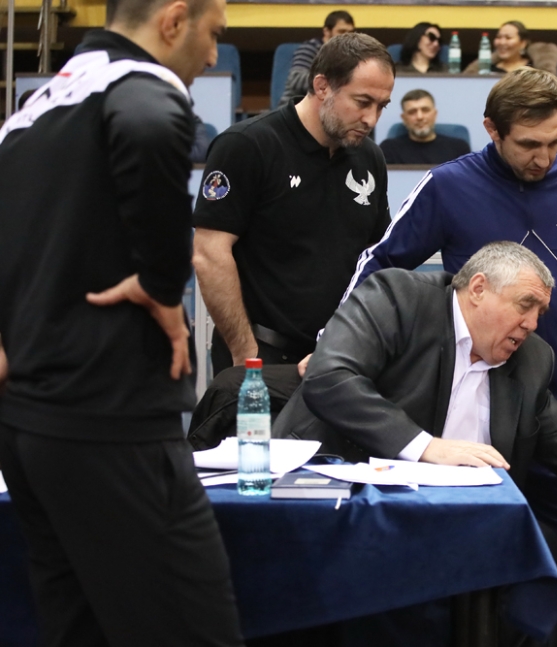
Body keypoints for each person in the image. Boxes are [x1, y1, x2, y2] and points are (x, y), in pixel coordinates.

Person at [287, 242, 557, 642]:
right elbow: (330, 377)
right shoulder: (399, 298)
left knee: (539, 554)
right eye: (525, 305)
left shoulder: (531, 361)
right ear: (478, 289)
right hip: (334, 502)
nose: (531, 324)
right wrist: (426, 447)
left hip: (442, 526)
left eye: (540, 313)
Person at [348, 67, 557, 647]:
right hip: (488, 410)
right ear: (492, 129)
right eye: (529, 144)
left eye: (555, 142)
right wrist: (334, 344)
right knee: (485, 557)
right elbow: (379, 264)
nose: (544, 158)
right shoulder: (448, 185)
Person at [0, 0, 244, 642]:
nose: (212, 56)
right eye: (213, 35)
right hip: (108, 420)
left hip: (29, 422)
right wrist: (162, 283)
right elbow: (149, 124)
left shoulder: (34, 109)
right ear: (173, 21)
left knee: (79, 629)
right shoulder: (141, 87)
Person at [193, 33, 394, 375]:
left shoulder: (369, 158)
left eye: (381, 106)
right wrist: (246, 355)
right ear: (322, 86)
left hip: (340, 358)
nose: (372, 119)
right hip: (262, 355)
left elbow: (375, 259)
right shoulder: (247, 145)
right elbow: (209, 253)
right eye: (362, 102)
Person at [277, 9, 355, 106]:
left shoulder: (349, 56)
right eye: (341, 31)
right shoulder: (310, 48)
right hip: (295, 107)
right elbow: (296, 80)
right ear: (327, 31)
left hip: (327, 108)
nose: (347, 36)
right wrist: (332, 82)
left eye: (350, 32)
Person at [379, 89, 471, 165]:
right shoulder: (389, 149)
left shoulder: (458, 148)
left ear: (435, 114)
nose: (420, 117)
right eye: (412, 112)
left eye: (425, 110)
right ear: (404, 118)